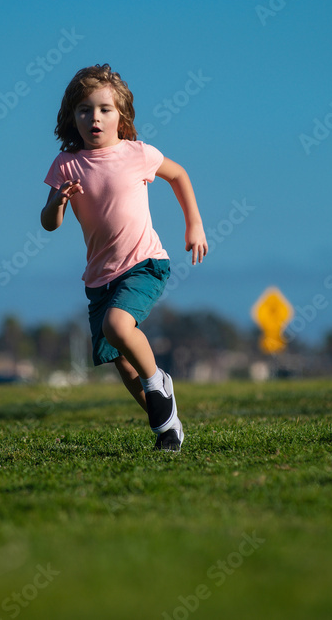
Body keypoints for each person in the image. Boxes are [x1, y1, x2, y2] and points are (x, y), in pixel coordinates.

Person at [40, 64, 208, 451]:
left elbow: (179, 175)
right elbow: (49, 223)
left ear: (121, 115)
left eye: (104, 109)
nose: (94, 117)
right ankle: (167, 428)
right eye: (84, 109)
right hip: (99, 279)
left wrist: (194, 225)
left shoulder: (137, 153)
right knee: (122, 363)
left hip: (145, 263)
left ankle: (158, 382)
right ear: (72, 117)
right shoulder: (65, 165)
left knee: (118, 327)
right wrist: (59, 201)